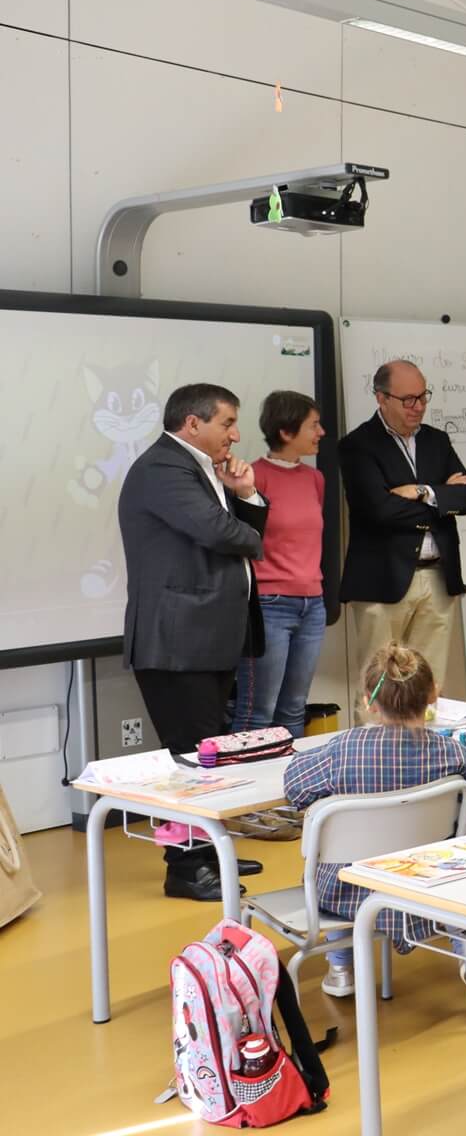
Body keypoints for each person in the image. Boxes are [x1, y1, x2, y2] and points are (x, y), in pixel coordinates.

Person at [282, 643, 466, 1009]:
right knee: (450, 879)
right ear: (433, 696)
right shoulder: (457, 756)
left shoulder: (344, 750)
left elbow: (295, 787)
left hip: (347, 891)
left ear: (369, 701)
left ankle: (341, 968)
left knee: (338, 863)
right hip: (427, 882)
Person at [118, 383, 270, 900]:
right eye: (227, 423)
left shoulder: (200, 468)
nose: (236, 435)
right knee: (188, 759)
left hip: (204, 636)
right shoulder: (164, 468)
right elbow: (222, 534)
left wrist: (245, 494)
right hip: (176, 641)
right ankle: (185, 868)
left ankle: (208, 850)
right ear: (192, 424)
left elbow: (237, 529)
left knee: (207, 752)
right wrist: (251, 533)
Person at [339, 360, 466, 712]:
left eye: (423, 397)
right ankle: (373, 749)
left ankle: (423, 747)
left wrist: (421, 491)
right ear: (381, 398)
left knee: (430, 686)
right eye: (408, 400)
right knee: (377, 687)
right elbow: (379, 510)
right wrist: (442, 498)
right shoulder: (358, 445)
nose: (418, 407)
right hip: (382, 580)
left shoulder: (436, 440)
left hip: (438, 577)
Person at [233, 390, 331, 736]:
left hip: (313, 605)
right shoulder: (254, 477)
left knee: (293, 708)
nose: (321, 432)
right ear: (286, 432)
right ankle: (247, 772)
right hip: (270, 606)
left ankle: (292, 771)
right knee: (258, 711)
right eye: (313, 425)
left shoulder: (315, 479)